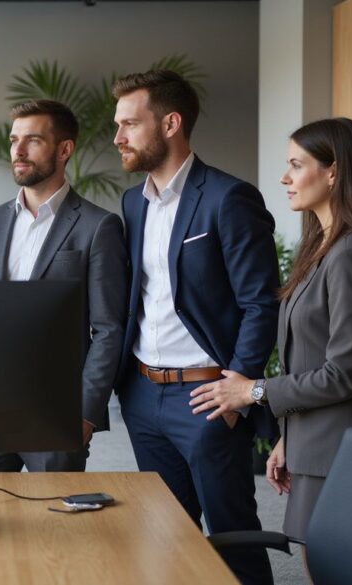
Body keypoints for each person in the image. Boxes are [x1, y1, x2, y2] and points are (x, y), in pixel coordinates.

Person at [189, 117, 352, 546]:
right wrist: (290, 441)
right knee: (317, 561)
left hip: (344, 451)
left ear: (334, 172)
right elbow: (306, 355)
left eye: (296, 165)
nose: (285, 178)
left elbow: (342, 375)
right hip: (316, 446)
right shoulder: (321, 248)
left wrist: (253, 391)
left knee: (333, 568)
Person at [112, 70, 278, 585]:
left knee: (233, 539)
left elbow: (260, 303)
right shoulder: (132, 203)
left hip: (209, 399)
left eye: (129, 125)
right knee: (164, 536)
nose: (117, 137)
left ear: (170, 123)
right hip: (143, 396)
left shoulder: (228, 198)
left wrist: (240, 388)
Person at [0, 99, 129, 473]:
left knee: (54, 523)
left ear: (64, 149)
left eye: (32, 140)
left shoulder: (98, 227)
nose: (17, 150)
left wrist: (85, 415)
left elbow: (109, 329)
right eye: (14, 139)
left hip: (56, 411)